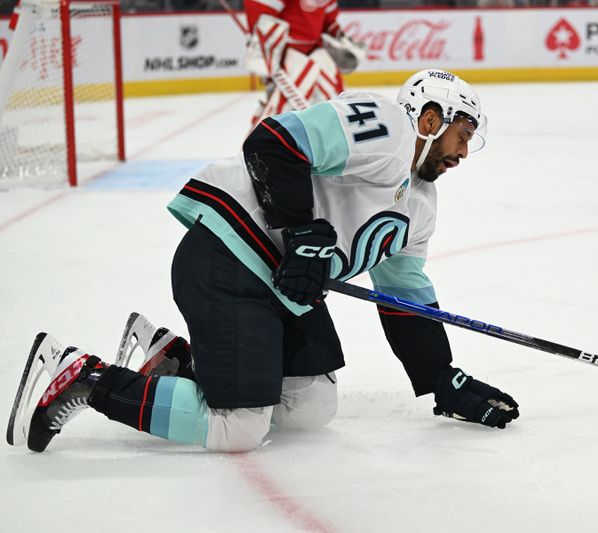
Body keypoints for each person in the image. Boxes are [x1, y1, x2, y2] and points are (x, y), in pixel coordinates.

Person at [7, 69, 520, 454]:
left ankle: (176, 360)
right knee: (240, 427)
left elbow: (404, 292)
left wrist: (441, 376)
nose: (464, 152)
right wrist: (301, 231)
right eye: (461, 135)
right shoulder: (387, 126)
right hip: (229, 259)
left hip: (283, 289)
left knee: (311, 408)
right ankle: (82, 376)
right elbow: (273, 142)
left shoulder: (421, 206)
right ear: (430, 119)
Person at [243, 0, 366, 124]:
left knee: (336, 104)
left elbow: (328, 20)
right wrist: (263, 44)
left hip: (317, 52)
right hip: (289, 55)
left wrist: (340, 37)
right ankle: (267, 141)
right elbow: (263, 14)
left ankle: (332, 138)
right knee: (283, 110)